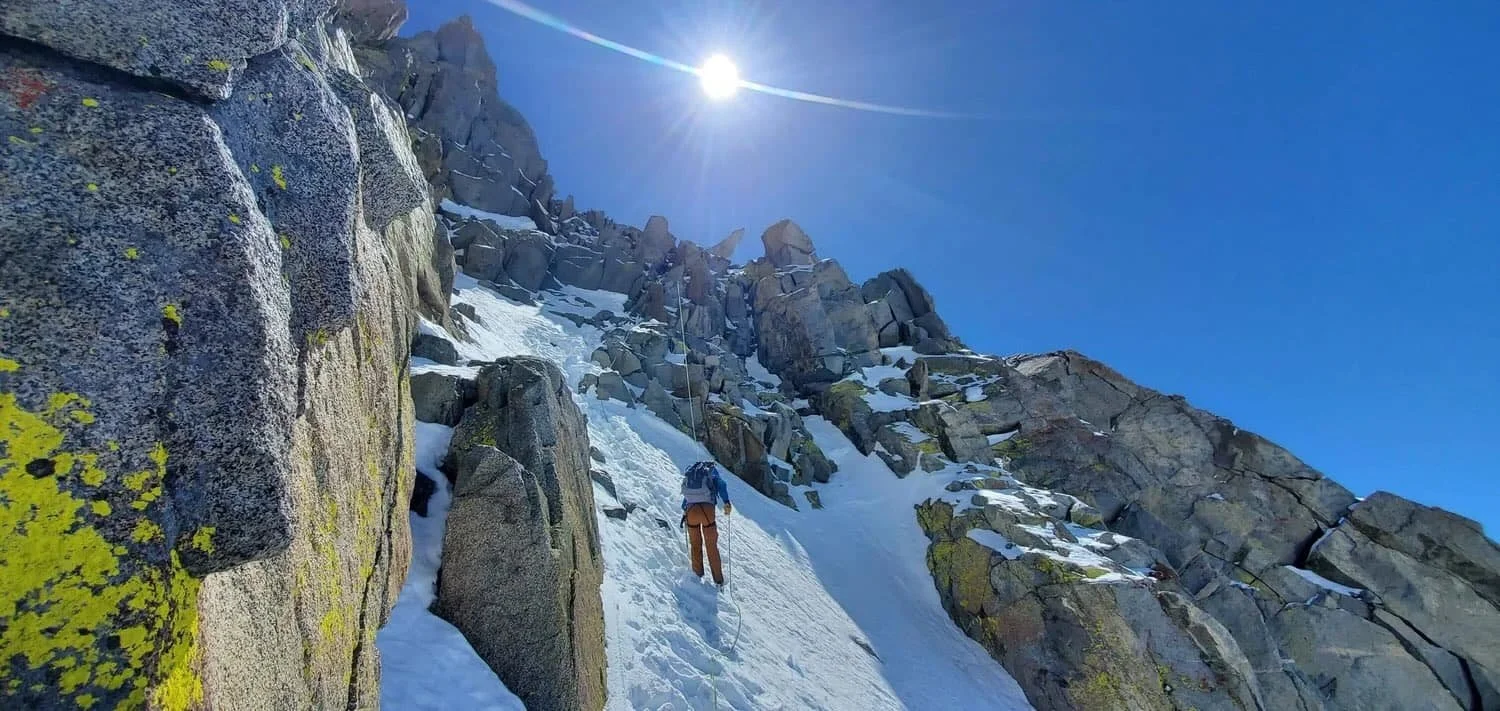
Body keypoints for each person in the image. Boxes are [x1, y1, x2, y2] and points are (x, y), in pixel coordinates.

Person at [680, 461, 732, 586]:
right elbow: (722, 485)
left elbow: (686, 499)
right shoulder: (711, 472)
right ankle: (718, 581)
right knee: (711, 546)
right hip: (707, 512)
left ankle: (697, 575)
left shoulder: (692, 475)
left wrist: (685, 510)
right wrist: (726, 502)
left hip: (691, 511)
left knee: (695, 544)